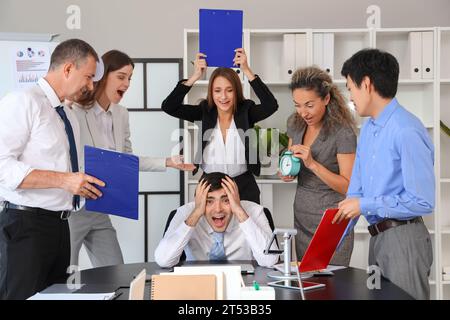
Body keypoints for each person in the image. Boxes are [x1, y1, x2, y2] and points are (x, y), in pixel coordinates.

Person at [69, 50, 195, 268]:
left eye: (130, 78)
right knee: (62, 276)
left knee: (113, 270)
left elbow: (125, 160)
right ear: (102, 75)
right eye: (121, 77)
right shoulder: (74, 110)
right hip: (72, 209)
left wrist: (167, 161)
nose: (127, 84)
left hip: (99, 209)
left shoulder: (121, 114)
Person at [0, 39, 105, 300]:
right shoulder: (22, 102)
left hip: (60, 227)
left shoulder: (67, 115)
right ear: (68, 68)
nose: (90, 86)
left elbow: (70, 169)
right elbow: (2, 166)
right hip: (25, 227)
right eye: (89, 77)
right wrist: (64, 181)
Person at [335, 48, 435, 300]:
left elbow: (423, 200)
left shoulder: (407, 130)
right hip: (377, 238)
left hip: (404, 240)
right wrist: (332, 238)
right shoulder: (368, 129)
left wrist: (363, 204)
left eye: (350, 87)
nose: (350, 96)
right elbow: (356, 191)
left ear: (366, 84)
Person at [161, 49, 279, 204]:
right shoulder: (203, 112)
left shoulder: (247, 111)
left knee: (248, 227)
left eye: (229, 90)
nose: (223, 97)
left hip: (243, 185)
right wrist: (195, 76)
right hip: (210, 186)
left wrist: (247, 70)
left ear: (236, 92)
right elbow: (169, 106)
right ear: (211, 92)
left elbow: (271, 105)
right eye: (217, 91)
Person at [278, 66, 357, 266]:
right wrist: (286, 171)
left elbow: (348, 186)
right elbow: (291, 157)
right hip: (302, 218)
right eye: (297, 105)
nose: (303, 112)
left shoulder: (343, 133)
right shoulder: (295, 124)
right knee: (306, 285)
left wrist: (312, 164)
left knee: (333, 287)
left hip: (332, 222)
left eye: (309, 105)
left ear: (327, 99)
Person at [154, 172, 279, 268]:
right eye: (209, 201)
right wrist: (196, 213)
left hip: (245, 282)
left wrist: (239, 211)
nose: (218, 209)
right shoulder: (185, 213)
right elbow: (163, 260)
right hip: (197, 283)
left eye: (226, 200)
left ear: (236, 199)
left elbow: (270, 260)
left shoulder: (255, 211)